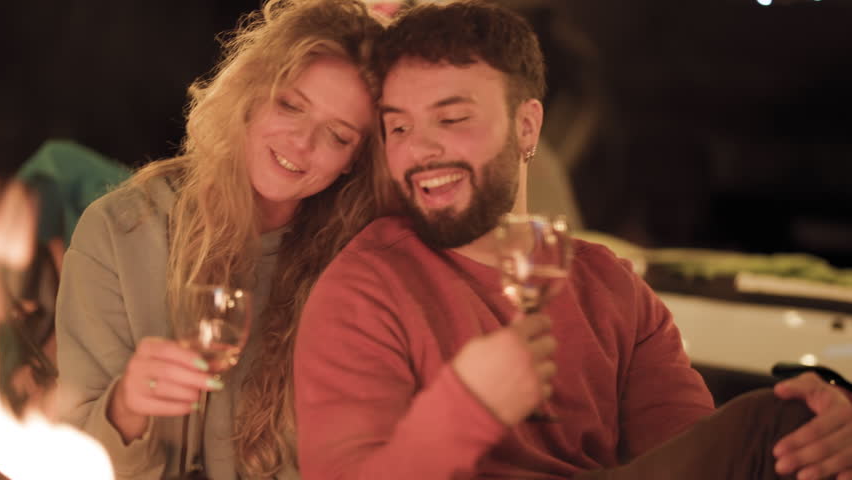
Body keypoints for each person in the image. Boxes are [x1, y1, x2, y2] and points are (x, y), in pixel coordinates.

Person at [293, 1, 852, 479]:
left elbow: (693, 455)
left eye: (453, 118)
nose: (419, 151)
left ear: (527, 126)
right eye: (399, 127)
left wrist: (825, 434)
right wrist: (467, 407)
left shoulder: (611, 287)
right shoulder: (365, 287)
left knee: (800, 432)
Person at [54, 1, 387, 479]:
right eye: (290, 105)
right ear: (252, 93)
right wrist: (126, 406)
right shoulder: (120, 230)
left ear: (354, 159)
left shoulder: (353, 265)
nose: (301, 142)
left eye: (336, 135)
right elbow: (69, 460)